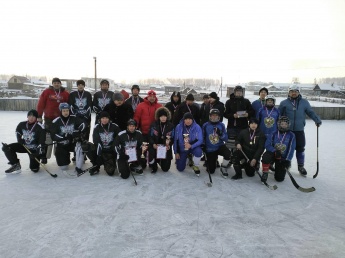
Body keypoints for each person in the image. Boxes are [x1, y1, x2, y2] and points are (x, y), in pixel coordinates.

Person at [278, 84, 322, 176]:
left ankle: (300, 166)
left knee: (300, 148)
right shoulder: (284, 103)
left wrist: (317, 120)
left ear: (298, 92)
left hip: (299, 130)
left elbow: (310, 112)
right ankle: (286, 164)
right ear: (289, 93)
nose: (293, 93)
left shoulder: (304, 102)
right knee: (285, 149)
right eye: (291, 91)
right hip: (287, 131)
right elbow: (278, 115)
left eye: (295, 91)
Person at [36, 77, 70, 163]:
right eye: (54, 83)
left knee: (59, 137)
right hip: (49, 119)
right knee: (48, 138)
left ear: (60, 84)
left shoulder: (65, 93)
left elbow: (69, 105)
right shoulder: (47, 92)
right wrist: (39, 115)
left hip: (60, 120)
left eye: (58, 83)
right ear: (52, 84)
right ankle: (45, 156)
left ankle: (58, 155)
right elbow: (41, 103)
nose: (56, 84)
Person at [2, 110, 46, 174]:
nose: (31, 118)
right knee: (7, 148)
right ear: (27, 116)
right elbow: (18, 131)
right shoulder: (22, 124)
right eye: (29, 116)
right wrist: (19, 139)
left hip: (34, 149)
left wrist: (37, 153)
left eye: (33, 116)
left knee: (34, 169)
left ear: (36, 118)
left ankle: (35, 163)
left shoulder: (40, 127)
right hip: (24, 145)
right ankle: (16, 165)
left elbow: (42, 143)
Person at [81, 111, 120, 176]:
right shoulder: (97, 127)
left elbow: (119, 138)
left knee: (111, 172)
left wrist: (114, 148)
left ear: (109, 119)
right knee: (86, 146)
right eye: (103, 118)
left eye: (106, 118)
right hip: (100, 149)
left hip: (110, 151)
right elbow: (96, 139)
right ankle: (95, 165)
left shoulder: (114, 126)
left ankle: (107, 162)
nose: (104, 120)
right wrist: (99, 155)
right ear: (100, 119)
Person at [223, 85, 255, 165]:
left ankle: (241, 159)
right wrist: (233, 115)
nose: (239, 93)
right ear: (234, 92)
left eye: (240, 92)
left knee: (242, 144)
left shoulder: (246, 101)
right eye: (237, 92)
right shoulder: (229, 102)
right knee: (231, 144)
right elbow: (225, 114)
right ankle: (229, 159)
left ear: (242, 93)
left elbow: (252, 112)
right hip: (232, 126)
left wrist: (248, 114)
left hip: (243, 127)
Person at [50, 103, 86, 172]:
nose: (66, 112)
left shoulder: (74, 118)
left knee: (79, 147)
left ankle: (78, 166)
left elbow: (84, 124)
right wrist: (64, 136)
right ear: (60, 111)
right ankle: (65, 158)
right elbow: (53, 136)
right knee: (63, 167)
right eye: (64, 111)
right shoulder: (56, 121)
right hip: (62, 144)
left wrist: (77, 132)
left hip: (72, 143)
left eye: (67, 110)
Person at [261, 116, 296, 182]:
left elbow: (291, 149)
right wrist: (274, 151)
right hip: (273, 154)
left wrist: (287, 160)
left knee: (279, 179)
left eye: (286, 124)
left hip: (282, 158)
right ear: (279, 124)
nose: (284, 126)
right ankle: (265, 172)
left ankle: (279, 167)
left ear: (288, 125)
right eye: (282, 124)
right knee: (266, 156)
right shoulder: (273, 133)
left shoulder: (291, 135)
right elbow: (267, 144)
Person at [202, 109, 231, 178]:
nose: (214, 117)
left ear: (219, 117)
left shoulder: (221, 125)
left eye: (216, 115)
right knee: (211, 171)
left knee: (228, 153)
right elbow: (202, 136)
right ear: (210, 116)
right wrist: (203, 145)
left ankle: (223, 167)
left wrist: (221, 134)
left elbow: (226, 138)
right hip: (210, 148)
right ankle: (212, 161)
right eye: (213, 115)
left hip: (219, 146)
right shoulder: (205, 125)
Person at [148, 107, 175, 173]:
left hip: (165, 147)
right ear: (159, 117)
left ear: (167, 117)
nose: (163, 118)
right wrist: (153, 144)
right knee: (151, 151)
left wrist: (169, 144)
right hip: (155, 146)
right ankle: (154, 164)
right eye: (161, 116)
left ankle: (160, 161)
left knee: (165, 169)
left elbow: (173, 137)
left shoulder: (171, 126)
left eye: (164, 116)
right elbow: (150, 136)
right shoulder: (153, 125)